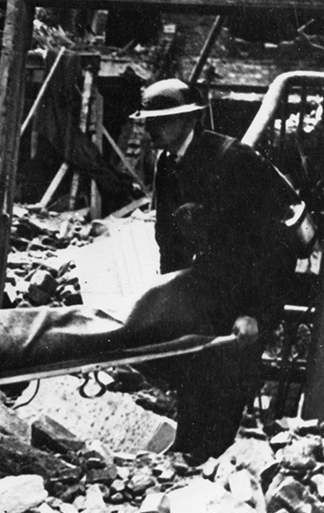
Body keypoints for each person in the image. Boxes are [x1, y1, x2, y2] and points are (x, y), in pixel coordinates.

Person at [123, 78, 298, 459]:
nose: (151, 129)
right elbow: (167, 238)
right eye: (148, 121)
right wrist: (168, 300)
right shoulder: (167, 163)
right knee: (192, 377)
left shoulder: (232, 160)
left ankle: (212, 469)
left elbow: (271, 246)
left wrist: (254, 313)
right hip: (204, 289)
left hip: (250, 290)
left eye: (161, 120)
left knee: (227, 383)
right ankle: (187, 460)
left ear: (189, 119)